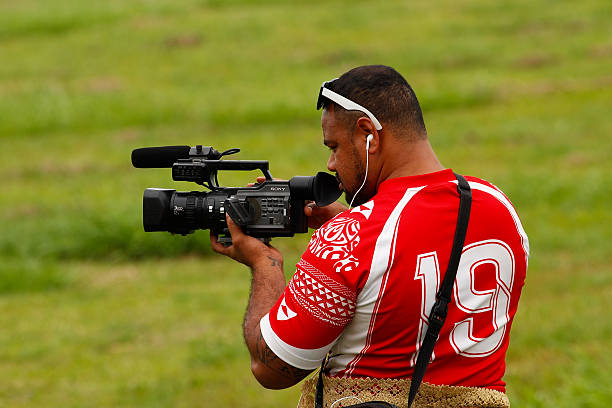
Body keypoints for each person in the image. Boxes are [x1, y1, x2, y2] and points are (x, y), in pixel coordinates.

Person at [211, 65, 529, 407]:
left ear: (369, 135)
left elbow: (271, 366)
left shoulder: (351, 236)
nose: (331, 164)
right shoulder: (499, 207)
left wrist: (265, 263)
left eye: (333, 146)